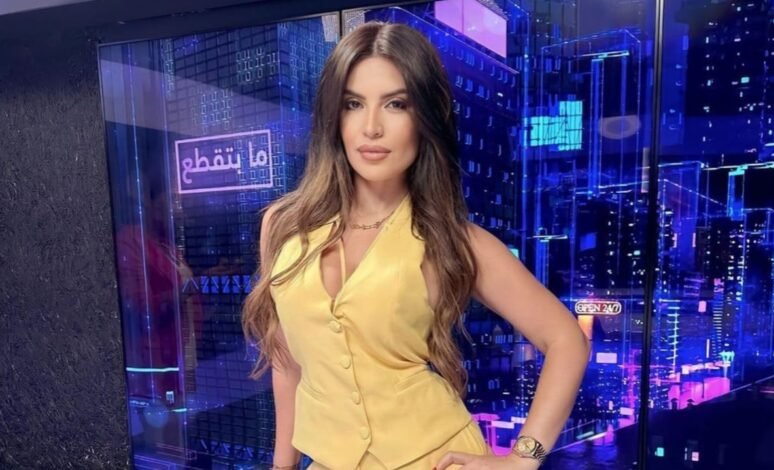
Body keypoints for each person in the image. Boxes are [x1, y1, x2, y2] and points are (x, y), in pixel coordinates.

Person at [241, 21, 590, 470]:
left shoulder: (454, 240)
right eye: (353, 104)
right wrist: (282, 465)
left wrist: (524, 458)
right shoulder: (283, 227)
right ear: (334, 117)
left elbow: (566, 340)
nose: (371, 127)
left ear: (424, 118)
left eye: (396, 104)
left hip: (434, 458)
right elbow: (287, 361)